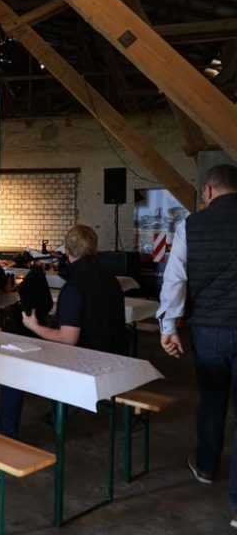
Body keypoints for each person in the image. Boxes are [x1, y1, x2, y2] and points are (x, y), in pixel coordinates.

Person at [157, 164, 237, 530]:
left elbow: (176, 278)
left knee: (212, 399)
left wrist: (168, 325)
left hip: (209, 329)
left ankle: (206, 465)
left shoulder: (191, 225)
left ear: (207, 190)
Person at [0, 224, 127, 439]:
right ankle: (57, 413)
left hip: (85, 361)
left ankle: (5, 433)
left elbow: (68, 339)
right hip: (116, 354)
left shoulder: (74, 286)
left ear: (67, 251)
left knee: (14, 367)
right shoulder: (110, 278)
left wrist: (34, 326)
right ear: (94, 249)